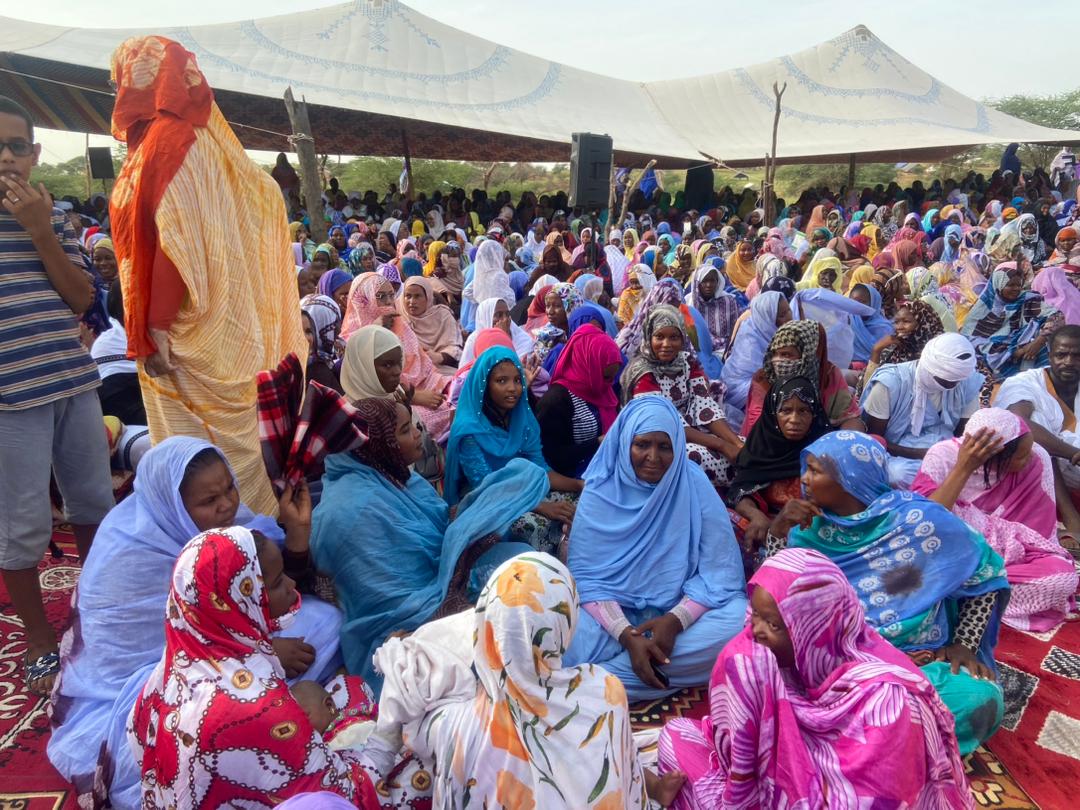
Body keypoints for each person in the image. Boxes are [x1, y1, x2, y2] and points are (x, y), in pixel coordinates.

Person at [49, 436, 342, 808]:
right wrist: (259, 652)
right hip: (149, 691)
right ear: (174, 505)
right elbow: (164, 660)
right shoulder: (128, 558)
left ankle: (261, 712)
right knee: (186, 740)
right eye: (209, 501)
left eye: (230, 488)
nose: (227, 505)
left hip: (226, 645)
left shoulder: (228, 526)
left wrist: (296, 539)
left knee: (326, 621)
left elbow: (270, 584)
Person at [108, 38, 306, 516]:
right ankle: (254, 538)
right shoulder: (206, 139)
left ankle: (223, 546)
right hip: (226, 324)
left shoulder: (170, 142)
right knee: (232, 447)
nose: (117, 89)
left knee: (196, 455)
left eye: (119, 79)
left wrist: (156, 326)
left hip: (186, 328)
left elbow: (177, 239)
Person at [658, 548, 971, 810]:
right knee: (675, 735)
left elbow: (876, 798)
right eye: (756, 614)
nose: (756, 631)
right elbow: (743, 742)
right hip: (788, 785)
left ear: (814, 627)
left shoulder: (889, 701)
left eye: (774, 624)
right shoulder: (783, 659)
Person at [374, 553, 685, 809]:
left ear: (484, 628)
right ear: (566, 624)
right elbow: (617, 762)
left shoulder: (454, 725)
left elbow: (407, 722)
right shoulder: (604, 690)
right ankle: (652, 787)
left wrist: (404, 651)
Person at [767, 430, 1008, 755]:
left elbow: (986, 569)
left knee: (980, 698)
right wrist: (778, 531)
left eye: (815, 470)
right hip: (838, 665)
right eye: (806, 468)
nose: (804, 480)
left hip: (920, 661)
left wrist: (964, 643)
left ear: (851, 478)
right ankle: (882, 736)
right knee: (760, 669)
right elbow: (774, 600)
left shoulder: (917, 520)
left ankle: (854, 736)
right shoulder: (808, 529)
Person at [128, 526, 389, 808]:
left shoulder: (168, 672)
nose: (291, 584)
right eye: (276, 583)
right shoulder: (258, 705)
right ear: (240, 599)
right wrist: (393, 723)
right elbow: (349, 796)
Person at [0, 95, 114, 695]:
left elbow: (81, 299)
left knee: (93, 503)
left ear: (35, 154)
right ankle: (41, 640)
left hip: (72, 380)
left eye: (16, 146)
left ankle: (95, 613)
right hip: (10, 394)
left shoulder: (55, 219)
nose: (7, 158)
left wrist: (41, 232)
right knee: (22, 525)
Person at [310, 398, 546, 687]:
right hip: (405, 621)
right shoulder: (350, 512)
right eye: (405, 430)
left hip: (439, 577)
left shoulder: (397, 477)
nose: (418, 433)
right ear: (375, 444)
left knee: (523, 558)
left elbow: (439, 526)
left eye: (413, 425)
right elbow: (386, 597)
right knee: (513, 609)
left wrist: (482, 510)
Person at [562, 396, 747, 699]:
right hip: (609, 618)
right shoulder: (601, 489)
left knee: (740, 620)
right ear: (625, 443)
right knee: (554, 641)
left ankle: (601, 682)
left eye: (665, 447)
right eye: (642, 445)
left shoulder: (692, 482)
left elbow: (721, 573)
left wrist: (675, 621)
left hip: (677, 612)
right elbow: (587, 581)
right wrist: (626, 635)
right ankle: (634, 669)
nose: (653, 457)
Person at [912, 408, 1077, 631]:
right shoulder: (941, 456)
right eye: (1022, 457)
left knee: (1062, 577)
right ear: (994, 459)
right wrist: (964, 468)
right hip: (954, 559)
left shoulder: (1037, 458)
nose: (1030, 458)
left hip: (1012, 560)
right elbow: (924, 522)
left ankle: (963, 598)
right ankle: (969, 598)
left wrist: (1003, 546)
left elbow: (1038, 539)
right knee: (926, 564)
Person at [444, 345, 581, 552]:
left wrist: (579, 485)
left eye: (517, 380)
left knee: (579, 503)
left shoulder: (521, 420)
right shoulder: (469, 431)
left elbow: (541, 470)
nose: (513, 388)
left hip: (524, 490)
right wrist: (542, 507)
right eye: (502, 381)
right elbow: (485, 485)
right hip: (485, 500)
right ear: (484, 385)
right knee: (532, 526)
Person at [621, 305, 743, 487]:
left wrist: (735, 443)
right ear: (649, 336)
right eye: (659, 337)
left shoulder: (686, 361)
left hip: (691, 430)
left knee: (744, 445)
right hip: (656, 438)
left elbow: (704, 404)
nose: (667, 344)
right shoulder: (643, 372)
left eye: (674, 337)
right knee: (693, 457)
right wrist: (722, 445)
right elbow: (665, 422)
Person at [862, 333, 984, 488]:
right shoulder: (890, 383)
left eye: (957, 380)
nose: (952, 385)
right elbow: (875, 440)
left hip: (944, 451)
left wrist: (947, 454)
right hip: (897, 455)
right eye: (946, 379)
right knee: (895, 475)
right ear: (931, 368)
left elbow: (964, 435)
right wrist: (922, 453)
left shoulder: (965, 381)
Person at [341, 273, 454, 440]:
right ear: (363, 300)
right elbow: (372, 389)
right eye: (381, 296)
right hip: (389, 403)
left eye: (391, 295)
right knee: (433, 419)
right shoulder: (354, 342)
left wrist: (440, 385)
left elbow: (424, 367)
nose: (389, 302)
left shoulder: (397, 323)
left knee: (461, 394)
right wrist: (414, 397)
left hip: (422, 389)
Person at [994, 325, 1080, 540]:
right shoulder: (1023, 382)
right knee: (1033, 432)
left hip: (1074, 471)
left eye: (1077, 356)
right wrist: (1073, 453)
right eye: (1061, 355)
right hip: (1040, 467)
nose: (1069, 362)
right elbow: (1019, 422)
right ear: (1049, 355)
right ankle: (1072, 520)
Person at [728, 376, 830, 552]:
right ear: (773, 413)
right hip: (771, 527)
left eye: (803, 411)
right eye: (786, 410)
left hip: (815, 529)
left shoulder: (825, 450)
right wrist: (756, 515)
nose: (794, 419)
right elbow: (741, 490)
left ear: (814, 413)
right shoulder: (762, 446)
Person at [742, 320, 863, 436]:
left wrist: (844, 442)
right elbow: (758, 426)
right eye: (775, 354)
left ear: (808, 355)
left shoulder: (828, 375)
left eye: (786, 355)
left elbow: (851, 419)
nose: (778, 361)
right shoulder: (764, 379)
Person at [535, 323, 622, 478]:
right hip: (573, 478)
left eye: (611, 378)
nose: (608, 384)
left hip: (607, 468)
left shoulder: (602, 390)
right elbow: (552, 456)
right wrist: (597, 442)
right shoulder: (556, 401)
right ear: (588, 366)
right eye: (605, 377)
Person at [961, 268, 1061, 378]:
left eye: (1019, 285)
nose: (1016, 289)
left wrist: (1039, 341)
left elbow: (1056, 316)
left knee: (1040, 328)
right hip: (1000, 357)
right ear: (998, 285)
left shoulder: (1027, 300)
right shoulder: (982, 309)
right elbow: (971, 340)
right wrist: (1016, 351)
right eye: (1010, 285)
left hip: (1031, 353)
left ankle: (1042, 378)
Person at [720, 291, 791, 418]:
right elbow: (760, 376)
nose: (789, 317)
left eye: (788, 311)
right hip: (742, 386)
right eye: (782, 315)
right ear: (767, 318)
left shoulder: (778, 332)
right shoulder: (750, 339)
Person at [861, 299, 945, 391]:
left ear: (923, 323)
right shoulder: (895, 348)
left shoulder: (936, 354)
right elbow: (867, 389)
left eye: (906, 321)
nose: (899, 327)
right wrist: (876, 350)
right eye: (896, 322)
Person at [397, 276, 462, 375]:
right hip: (409, 373)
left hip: (441, 369)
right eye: (408, 296)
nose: (412, 301)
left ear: (428, 297)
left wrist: (439, 357)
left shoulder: (442, 316)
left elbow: (454, 347)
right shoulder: (398, 318)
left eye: (417, 296)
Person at [686, 262, 739, 358]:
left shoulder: (728, 301)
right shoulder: (689, 303)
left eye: (712, 281)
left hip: (724, 351)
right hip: (697, 353)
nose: (709, 285)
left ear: (717, 282)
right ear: (698, 283)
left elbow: (735, 331)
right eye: (704, 281)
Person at [300, 294, 344, 394]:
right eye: (334, 322)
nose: (339, 329)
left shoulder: (335, 353)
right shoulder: (316, 371)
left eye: (309, 331)